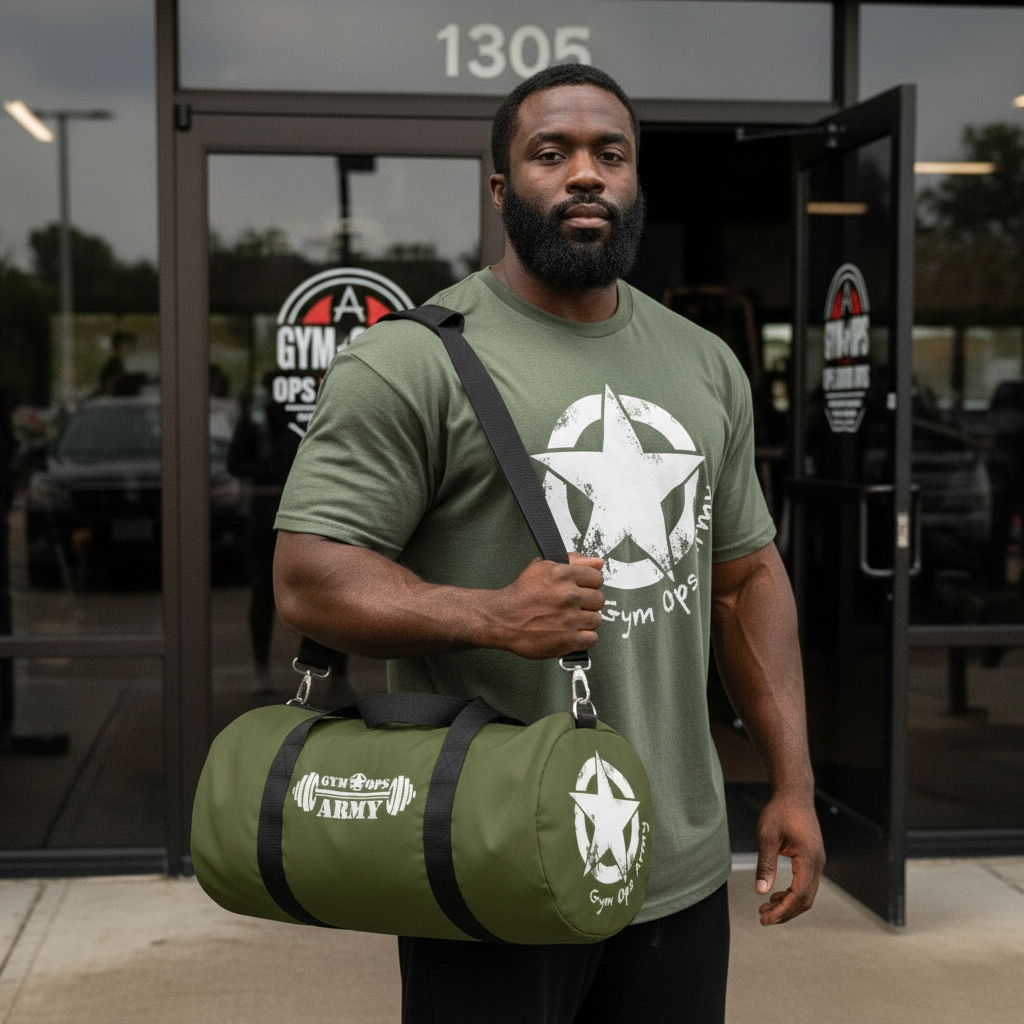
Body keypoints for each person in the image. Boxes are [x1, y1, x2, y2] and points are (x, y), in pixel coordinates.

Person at [273, 64, 824, 1024]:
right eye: (551, 153)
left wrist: (794, 784)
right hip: (490, 858)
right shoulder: (410, 359)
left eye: (610, 155)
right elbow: (310, 579)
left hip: (678, 862)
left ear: (635, 182)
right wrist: (490, 615)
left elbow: (745, 582)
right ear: (501, 189)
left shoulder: (705, 362)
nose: (585, 175)